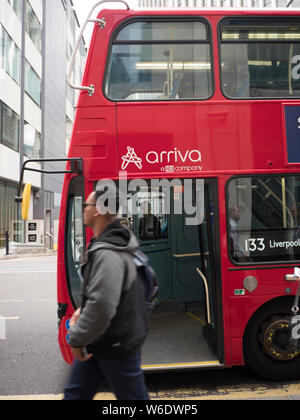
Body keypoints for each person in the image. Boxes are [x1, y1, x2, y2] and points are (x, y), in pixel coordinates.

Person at [63, 187, 149, 400]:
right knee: (75, 394)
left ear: (98, 210)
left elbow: (103, 305)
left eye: (87, 205)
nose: (84, 209)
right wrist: (83, 310)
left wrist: (75, 338)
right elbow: (107, 293)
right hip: (102, 339)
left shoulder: (108, 252)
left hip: (115, 343)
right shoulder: (109, 244)